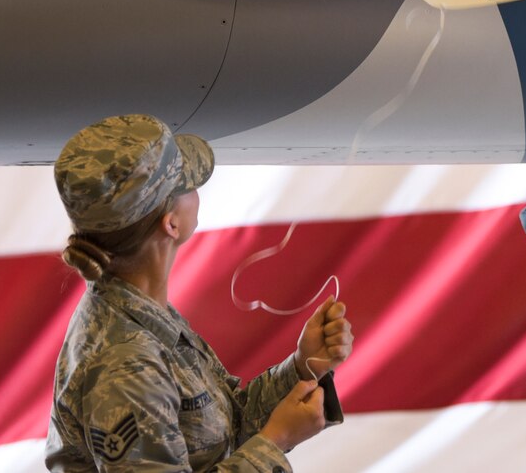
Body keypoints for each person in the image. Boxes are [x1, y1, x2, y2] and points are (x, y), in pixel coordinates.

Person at [46, 114, 353, 471]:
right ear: (170, 223)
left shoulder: (138, 312)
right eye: (187, 184)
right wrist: (275, 442)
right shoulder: (125, 363)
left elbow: (215, 429)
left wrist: (303, 366)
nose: (197, 192)